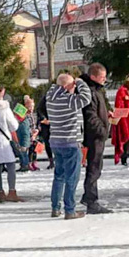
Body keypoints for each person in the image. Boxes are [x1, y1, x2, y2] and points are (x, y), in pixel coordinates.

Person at [47, 73, 92, 219]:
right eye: (73, 85)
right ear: (67, 86)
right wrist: (80, 82)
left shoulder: (50, 97)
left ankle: (55, 208)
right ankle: (70, 210)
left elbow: (56, 87)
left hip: (56, 142)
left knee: (58, 176)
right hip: (71, 143)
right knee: (72, 177)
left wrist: (67, 84)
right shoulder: (69, 100)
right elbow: (86, 97)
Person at [81, 63, 113, 214]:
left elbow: (100, 109)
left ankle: (89, 196)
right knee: (93, 168)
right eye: (102, 77)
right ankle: (91, 200)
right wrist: (102, 130)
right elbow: (90, 115)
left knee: (96, 168)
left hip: (98, 135)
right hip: (94, 136)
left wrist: (108, 113)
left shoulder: (97, 90)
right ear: (93, 77)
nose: (104, 80)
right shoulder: (90, 91)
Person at [16, 96, 38, 172]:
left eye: (32, 106)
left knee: (33, 151)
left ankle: (31, 163)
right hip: (27, 134)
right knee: (24, 150)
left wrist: (36, 131)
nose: (31, 108)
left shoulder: (32, 114)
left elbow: (34, 124)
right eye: (29, 106)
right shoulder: (25, 114)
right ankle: (26, 164)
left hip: (33, 134)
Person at [36, 93, 54, 169]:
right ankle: (51, 161)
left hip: (57, 123)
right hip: (46, 124)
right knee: (47, 143)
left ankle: (60, 161)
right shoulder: (46, 97)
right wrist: (43, 119)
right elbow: (39, 109)